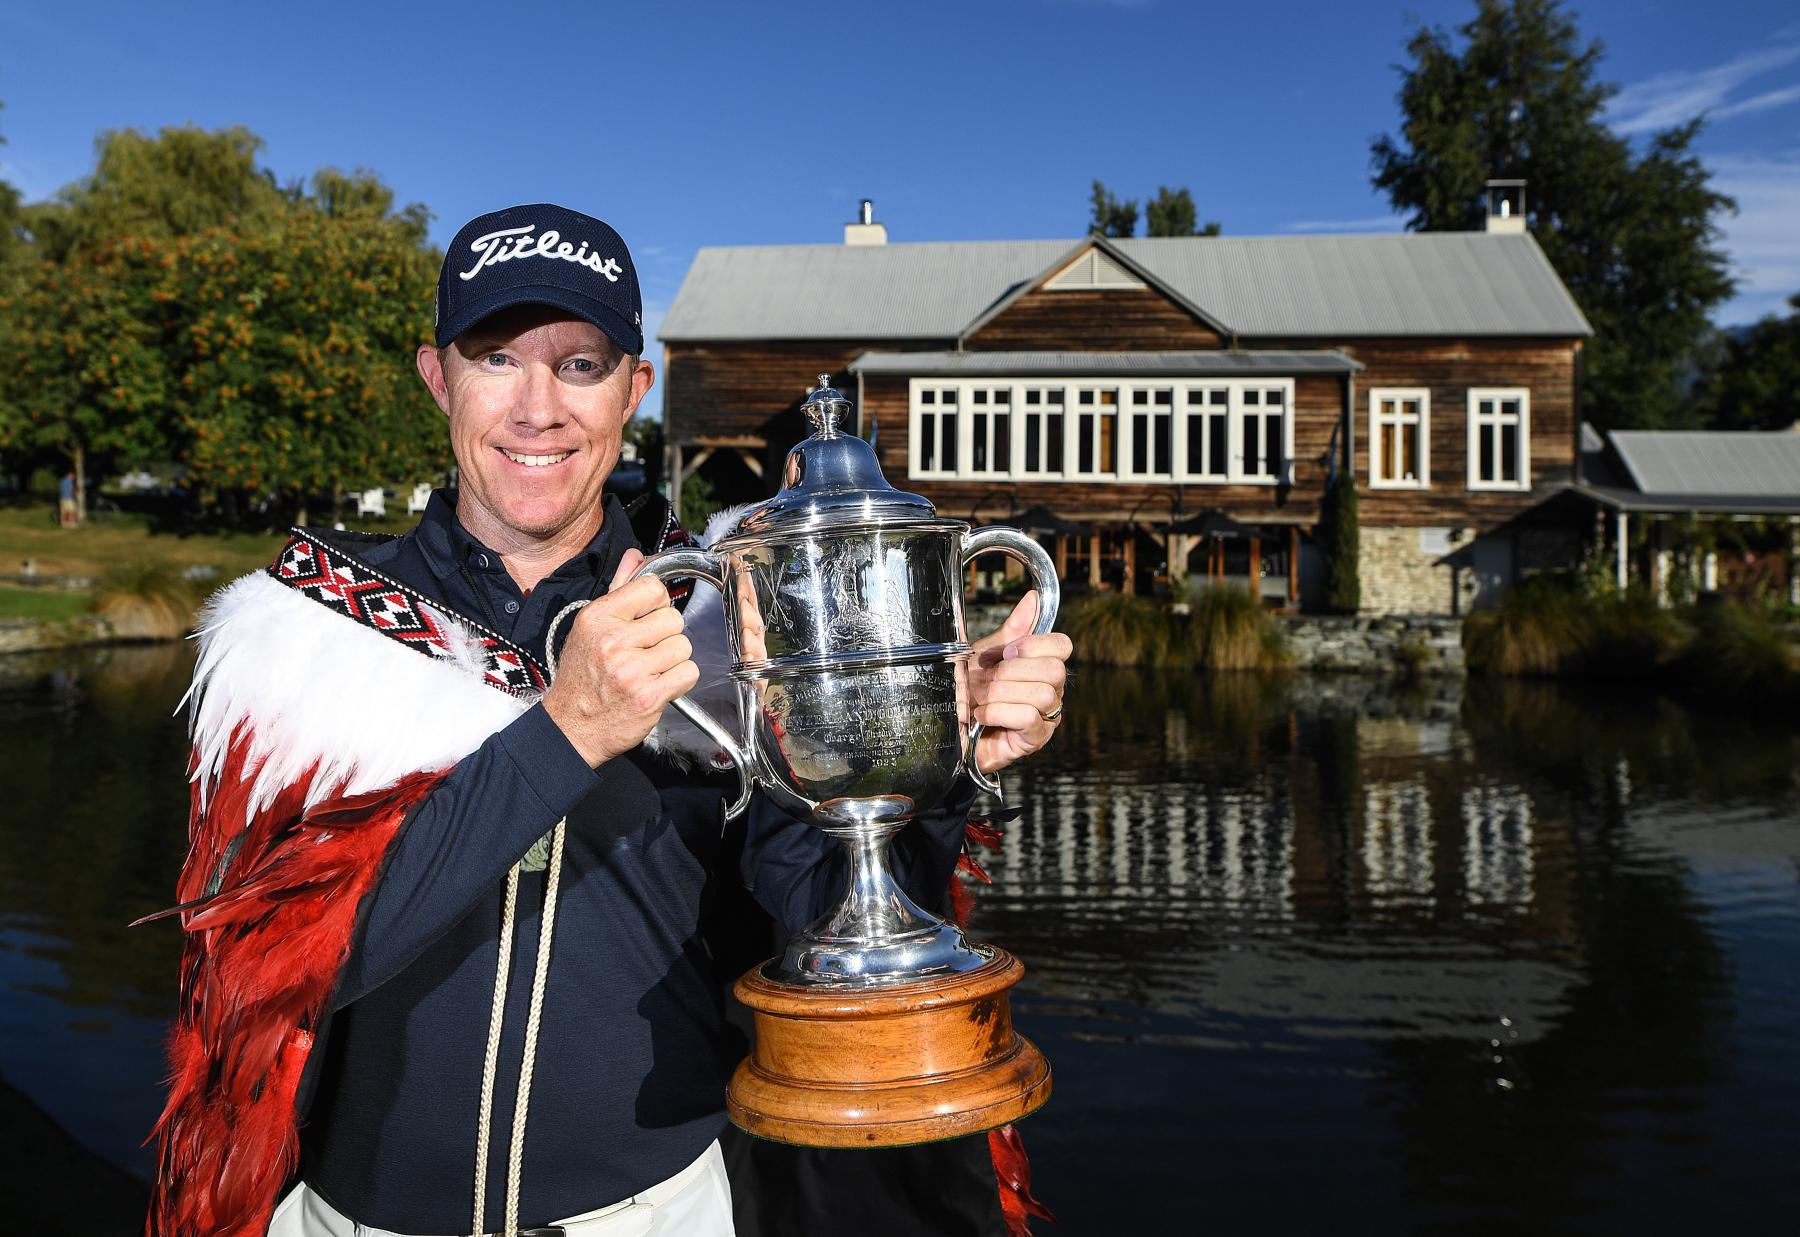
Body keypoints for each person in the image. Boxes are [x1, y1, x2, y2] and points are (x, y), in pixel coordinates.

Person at [144, 203, 1072, 1237]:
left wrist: (933, 765)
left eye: (581, 364)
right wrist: (568, 728)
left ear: (638, 388)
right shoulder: (312, 622)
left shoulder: (727, 611)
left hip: (658, 1214)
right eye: (497, 357)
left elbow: (820, 928)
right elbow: (271, 978)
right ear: (437, 377)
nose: (538, 407)